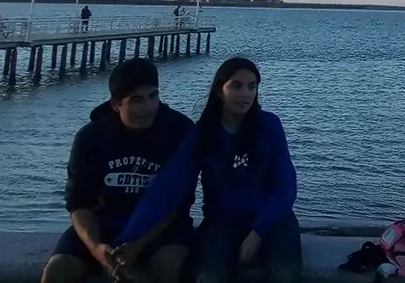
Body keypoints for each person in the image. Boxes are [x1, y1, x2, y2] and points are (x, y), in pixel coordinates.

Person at [114, 57, 301, 283]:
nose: (246, 93)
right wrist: (126, 238)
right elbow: (167, 189)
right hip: (221, 222)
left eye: (252, 86)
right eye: (236, 85)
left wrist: (257, 232)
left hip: (273, 219)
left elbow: (286, 188)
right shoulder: (202, 134)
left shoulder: (270, 126)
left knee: (283, 274)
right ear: (220, 90)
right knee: (207, 277)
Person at [41, 58, 195, 283]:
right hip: (104, 224)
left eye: (153, 96)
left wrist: (136, 246)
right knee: (57, 270)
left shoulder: (180, 132)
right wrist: (96, 249)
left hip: (162, 228)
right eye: (137, 100)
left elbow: (179, 204)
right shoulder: (91, 137)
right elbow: (78, 203)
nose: (149, 108)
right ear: (115, 105)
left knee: (170, 265)